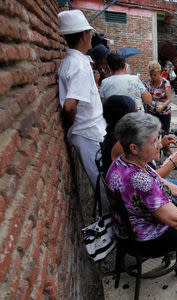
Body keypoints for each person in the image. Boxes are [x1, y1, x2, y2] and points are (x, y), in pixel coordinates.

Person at [105, 112, 177, 290]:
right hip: (143, 239)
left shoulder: (123, 162)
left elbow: (160, 180)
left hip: (126, 227)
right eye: (153, 142)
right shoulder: (140, 180)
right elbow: (175, 220)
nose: (159, 144)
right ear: (134, 148)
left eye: (158, 138)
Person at [57, 10, 106, 190]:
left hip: (90, 131)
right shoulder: (78, 64)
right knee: (103, 184)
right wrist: (72, 125)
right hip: (87, 133)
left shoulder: (77, 61)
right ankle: (110, 216)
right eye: (89, 32)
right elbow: (70, 106)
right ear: (84, 35)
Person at [101, 95, 177, 190]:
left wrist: (160, 144)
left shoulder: (114, 135)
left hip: (139, 183)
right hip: (138, 189)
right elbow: (149, 178)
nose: (140, 115)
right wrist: (174, 161)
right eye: (136, 112)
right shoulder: (121, 144)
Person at [144, 61, 172, 134]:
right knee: (152, 134)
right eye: (151, 75)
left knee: (164, 134)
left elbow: (169, 99)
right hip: (152, 112)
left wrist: (162, 105)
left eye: (155, 75)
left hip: (165, 112)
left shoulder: (166, 83)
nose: (153, 77)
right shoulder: (147, 84)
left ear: (159, 73)